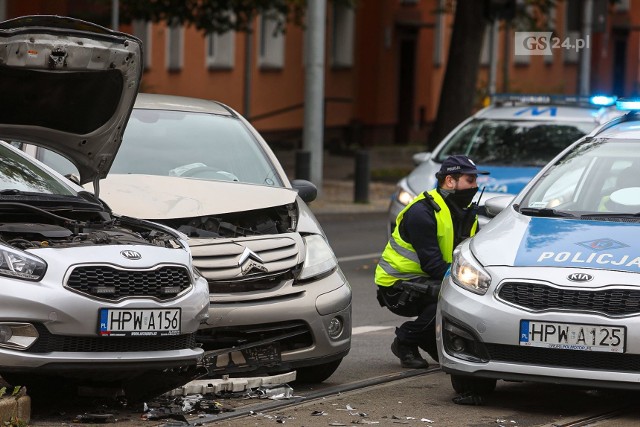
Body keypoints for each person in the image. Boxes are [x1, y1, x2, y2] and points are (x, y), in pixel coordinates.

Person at [375, 154, 489, 369]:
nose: (475, 186)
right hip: (397, 285)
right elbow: (433, 265)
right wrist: (471, 282)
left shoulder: (464, 213)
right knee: (451, 296)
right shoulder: (422, 212)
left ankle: (429, 340)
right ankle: (405, 340)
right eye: (470, 180)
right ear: (450, 181)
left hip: (427, 280)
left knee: (464, 293)